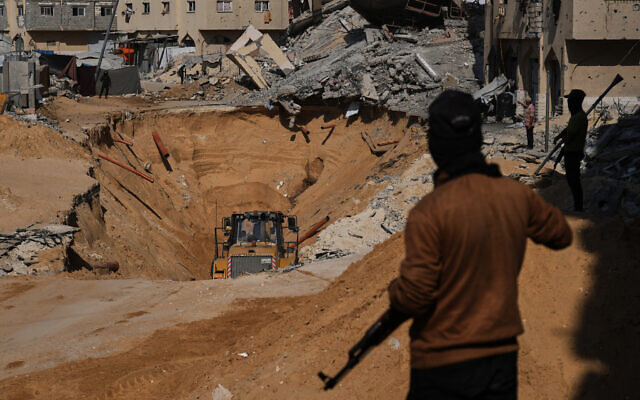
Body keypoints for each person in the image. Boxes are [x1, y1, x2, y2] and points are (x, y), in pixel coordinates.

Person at [387, 90, 573, 400]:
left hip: (441, 362)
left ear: (437, 144)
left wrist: (395, 289)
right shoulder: (516, 196)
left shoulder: (429, 212)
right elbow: (560, 235)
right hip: (499, 359)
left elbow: (415, 296)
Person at [554, 89, 588, 212]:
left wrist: (562, 141)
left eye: (570, 101)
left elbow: (570, 135)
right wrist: (559, 136)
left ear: (575, 102)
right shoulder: (576, 117)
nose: (568, 104)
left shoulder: (578, 117)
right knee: (572, 180)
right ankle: (577, 205)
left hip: (573, 152)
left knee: (574, 181)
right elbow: (568, 129)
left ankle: (578, 207)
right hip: (572, 151)